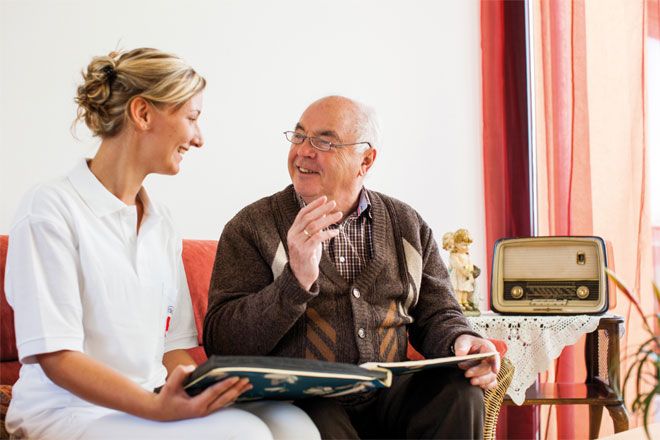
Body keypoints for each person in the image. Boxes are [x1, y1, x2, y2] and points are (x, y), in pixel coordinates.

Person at [4, 48, 319, 440]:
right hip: (71, 414)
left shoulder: (161, 223)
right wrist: (156, 408)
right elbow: (58, 358)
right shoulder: (50, 210)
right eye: (191, 117)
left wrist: (204, 390)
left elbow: (173, 349)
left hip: (149, 405)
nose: (199, 139)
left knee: (292, 423)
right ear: (143, 113)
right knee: (244, 434)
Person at [204, 95, 500, 439]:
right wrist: (295, 281)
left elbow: (438, 313)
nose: (304, 151)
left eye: (324, 142)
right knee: (315, 415)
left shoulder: (407, 224)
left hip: (392, 393)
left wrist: (462, 340)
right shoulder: (252, 227)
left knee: (458, 393)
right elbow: (221, 340)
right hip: (307, 398)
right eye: (299, 136)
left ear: (366, 160)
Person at [442, 228, 481, 314]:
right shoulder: (454, 255)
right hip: (459, 275)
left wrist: (471, 271)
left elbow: (470, 263)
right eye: (464, 245)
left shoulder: (466, 254)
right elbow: (457, 265)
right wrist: (464, 270)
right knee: (459, 289)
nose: (467, 247)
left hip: (466, 276)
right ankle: (459, 302)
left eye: (468, 245)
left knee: (465, 290)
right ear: (456, 244)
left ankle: (465, 302)